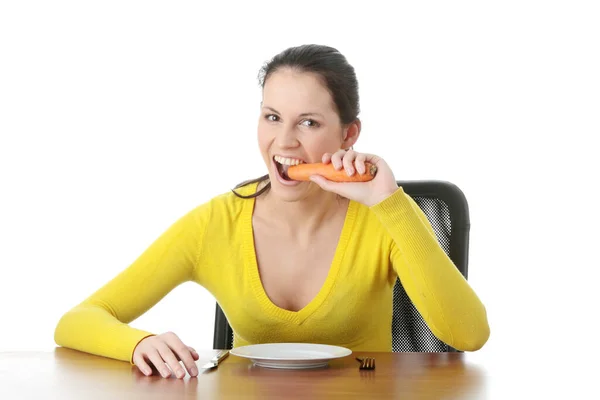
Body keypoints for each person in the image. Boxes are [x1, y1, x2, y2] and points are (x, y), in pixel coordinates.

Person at [54, 44, 490, 379]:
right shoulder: (216, 224)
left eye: (308, 123)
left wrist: (389, 203)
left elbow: (469, 334)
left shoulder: (382, 217)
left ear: (348, 134)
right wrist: (138, 343)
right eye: (272, 116)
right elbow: (76, 322)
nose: (283, 142)